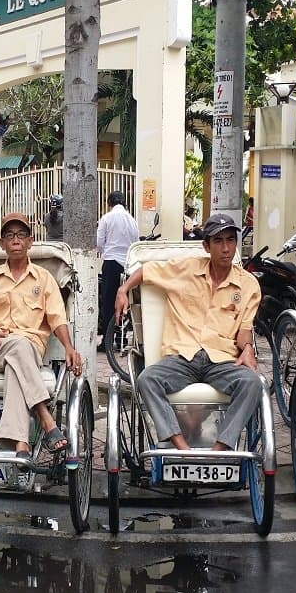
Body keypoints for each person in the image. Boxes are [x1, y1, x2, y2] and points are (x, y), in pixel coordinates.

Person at [115, 214, 262, 451]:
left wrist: (248, 348)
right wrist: (123, 289)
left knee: (253, 383)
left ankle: (218, 451)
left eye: (230, 240)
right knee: (147, 379)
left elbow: (244, 332)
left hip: (221, 361)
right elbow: (146, 271)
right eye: (218, 241)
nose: (226, 248)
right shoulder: (186, 269)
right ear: (207, 246)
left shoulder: (248, 285)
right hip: (182, 358)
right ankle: (182, 447)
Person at [0, 212, 83, 457]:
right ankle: (46, 418)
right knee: (16, 349)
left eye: (21, 235)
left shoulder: (44, 279)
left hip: (31, 350)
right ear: (2, 243)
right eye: (10, 235)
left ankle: (21, 444)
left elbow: (57, 317)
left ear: (30, 241)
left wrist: (68, 347)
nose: (16, 240)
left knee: (18, 361)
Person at [96, 191, 138, 348]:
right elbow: (135, 243)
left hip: (111, 262)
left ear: (109, 204)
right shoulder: (132, 220)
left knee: (108, 302)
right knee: (124, 300)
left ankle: (107, 340)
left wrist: (106, 250)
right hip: (127, 265)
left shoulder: (106, 218)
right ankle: (122, 338)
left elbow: (99, 242)